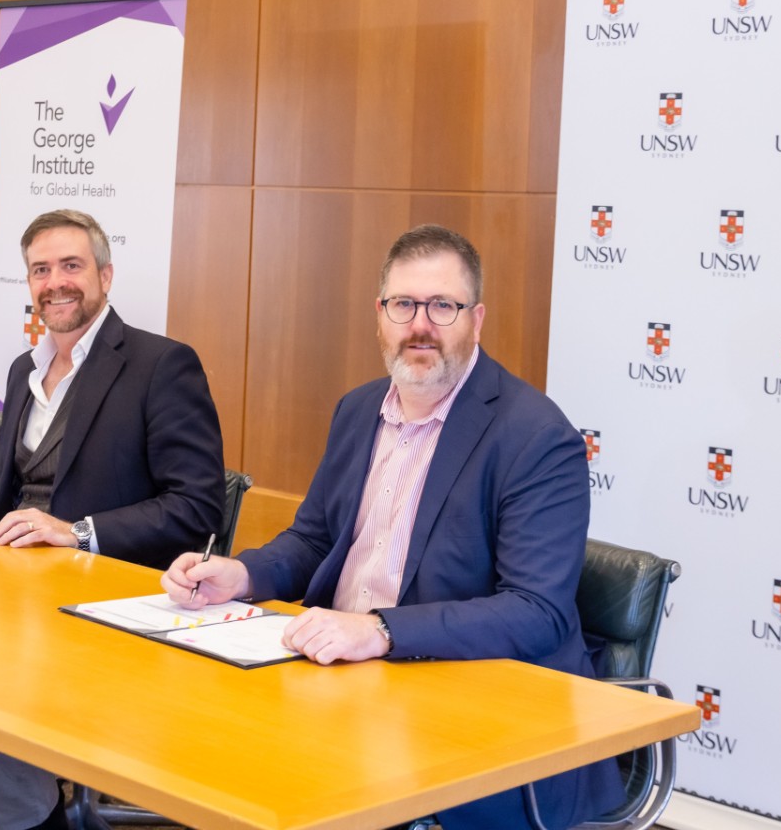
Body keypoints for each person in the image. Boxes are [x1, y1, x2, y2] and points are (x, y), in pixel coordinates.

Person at [161, 225, 622, 830]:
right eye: (403, 305)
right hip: (345, 691)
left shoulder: (536, 437)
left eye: (443, 306)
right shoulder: (358, 410)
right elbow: (316, 540)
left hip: (475, 722)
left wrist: (378, 631)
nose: (420, 325)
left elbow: (537, 611)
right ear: (381, 316)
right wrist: (242, 574)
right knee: (195, 752)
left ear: (476, 319)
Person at [0, 209, 225, 830]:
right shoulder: (24, 371)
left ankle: (32, 820)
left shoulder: (161, 365)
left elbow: (196, 507)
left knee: (1, 675)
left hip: (97, 593)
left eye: (71, 266)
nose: (55, 282)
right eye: (40, 270)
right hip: (3, 581)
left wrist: (76, 532)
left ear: (106, 276)